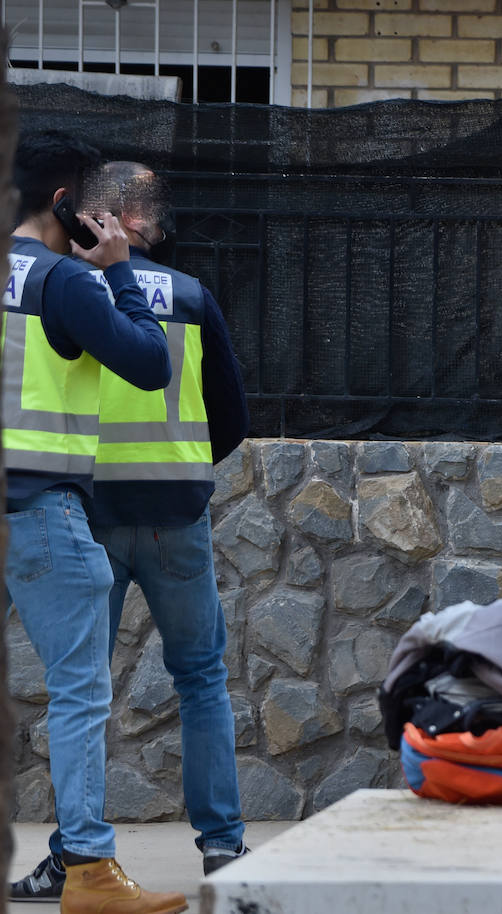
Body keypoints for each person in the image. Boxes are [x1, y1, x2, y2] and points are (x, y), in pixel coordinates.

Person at [10, 162, 252, 904]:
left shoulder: (56, 283)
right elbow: (233, 415)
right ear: (148, 221)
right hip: (176, 514)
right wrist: (181, 470)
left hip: (86, 509)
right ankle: (222, 848)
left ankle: (72, 854)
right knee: (202, 679)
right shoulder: (188, 296)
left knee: (83, 688)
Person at [3, 132, 184, 912]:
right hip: (41, 510)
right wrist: (119, 273)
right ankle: (88, 871)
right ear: (64, 205)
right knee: (79, 692)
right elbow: (150, 363)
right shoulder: (65, 281)